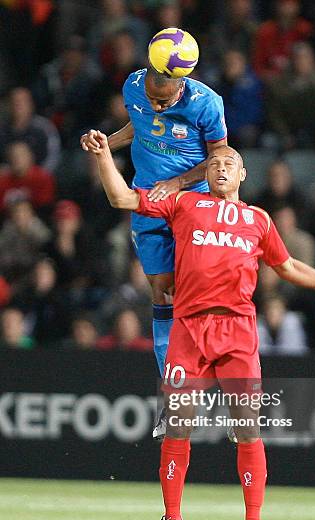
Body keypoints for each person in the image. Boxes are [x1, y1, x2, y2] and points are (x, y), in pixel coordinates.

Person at [91, 130, 315, 520]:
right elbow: (123, 199)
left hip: (238, 332)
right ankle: (172, 519)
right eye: (215, 163)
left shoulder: (258, 220)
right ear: (206, 173)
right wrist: (102, 156)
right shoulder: (186, 203)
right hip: (189, 329)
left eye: (230, 162)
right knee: (177, 424)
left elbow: (291, 267)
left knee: (247, 427)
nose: (221, 166)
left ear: (243, 173)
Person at [81, 29, 227, 433]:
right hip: (149, 204)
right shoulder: (133, 86)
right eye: (154, 97)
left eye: (166, 100)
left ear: (181, 84)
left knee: (199, 294)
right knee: (162, 293)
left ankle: (229, 388)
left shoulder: (206, 104)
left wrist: (179, 183)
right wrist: (106, 145)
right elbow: (139, 126)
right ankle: (175, 392)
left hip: (194, 204)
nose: (158, 106)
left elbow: (222, 157)